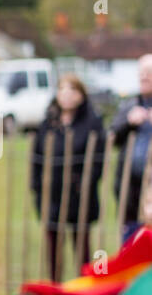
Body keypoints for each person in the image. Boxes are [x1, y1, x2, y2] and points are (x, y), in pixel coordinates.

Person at [30, 74, 105, 281]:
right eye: (62, 89)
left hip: (79, 197)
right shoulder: (48, 123)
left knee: (81, 247)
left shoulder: (92, 123)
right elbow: (36, 158)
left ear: (81, 95)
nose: (66, 94)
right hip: (51, 195)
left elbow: (98, 160)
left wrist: (83, 183)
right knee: (53, 249)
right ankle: (56, 289)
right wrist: (37, 187)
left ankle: (84, 289)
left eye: (72, 90)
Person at [111, 53, 152, 242]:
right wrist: (128, 122)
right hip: (130, 185)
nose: (144, 76)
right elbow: (112, 138)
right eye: (141, 72)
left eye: (149, 72)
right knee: (131, 238)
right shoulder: (129, 105)